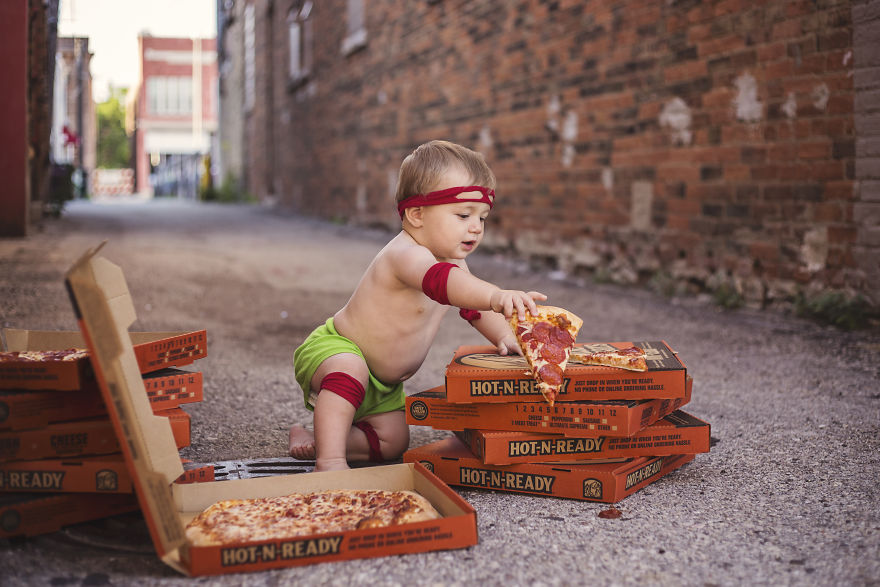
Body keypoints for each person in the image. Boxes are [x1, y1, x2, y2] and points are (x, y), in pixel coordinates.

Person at [289, 140, 546, 470]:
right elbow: (444, 283)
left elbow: (473, 308)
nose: (475, 227)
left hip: (384, 384)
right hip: (337, 349)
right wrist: (496, 295)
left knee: (392, 443)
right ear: (416, 214)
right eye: (463, 215)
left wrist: (505, 336)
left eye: (483, 218)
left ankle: (315, 438)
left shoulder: (454, 265)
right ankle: (330, 460)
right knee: (349, 370)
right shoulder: (405, 255)